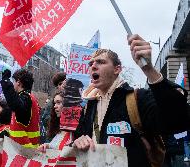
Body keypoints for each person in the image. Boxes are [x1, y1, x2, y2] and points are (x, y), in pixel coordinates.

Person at [72, 34, 190, 167]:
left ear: (117, 69)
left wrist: (149, 69)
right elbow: (78, 138)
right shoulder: (88, 106)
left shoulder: (136, 99)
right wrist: (78, 141)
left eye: (101, 62)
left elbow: (178, 120)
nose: (93, 66)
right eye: (91, 63)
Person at [1, 68, 40, 148]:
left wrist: (6, 84)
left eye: (13, 81)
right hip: (22, 152)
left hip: (24, 153)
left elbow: (16, 106)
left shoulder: (26, 98)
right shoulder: (28, 98)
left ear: (18, 82)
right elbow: (22, 125)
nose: (13, 84)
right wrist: (8, 133)